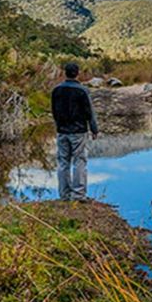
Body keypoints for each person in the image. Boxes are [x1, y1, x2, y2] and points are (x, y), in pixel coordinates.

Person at [51, 62, 99, 202]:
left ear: (65, 73)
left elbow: (54, 111)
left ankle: (64, 195)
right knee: (79, 161)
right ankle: (78, 195)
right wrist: (94, 129)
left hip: (62, 131)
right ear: (78, 73)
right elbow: (89, 112)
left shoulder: (56, 90)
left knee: (63, 162)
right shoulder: (82, 90)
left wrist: (58, 125)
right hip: (78, 131)